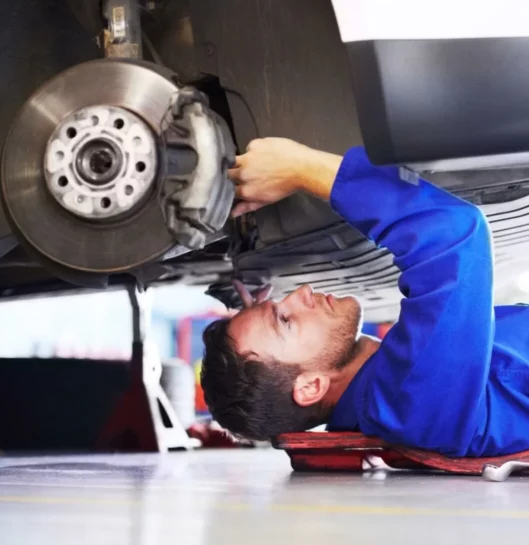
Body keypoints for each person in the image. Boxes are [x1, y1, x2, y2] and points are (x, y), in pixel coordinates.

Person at [200, 138, 529, 458]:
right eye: (285, 321)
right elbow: (453, 236)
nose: (300, 293)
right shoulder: (411, 402)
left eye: (280, 305)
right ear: (311, 387)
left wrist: (262, 322)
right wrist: (300, 167)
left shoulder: (393, 398)